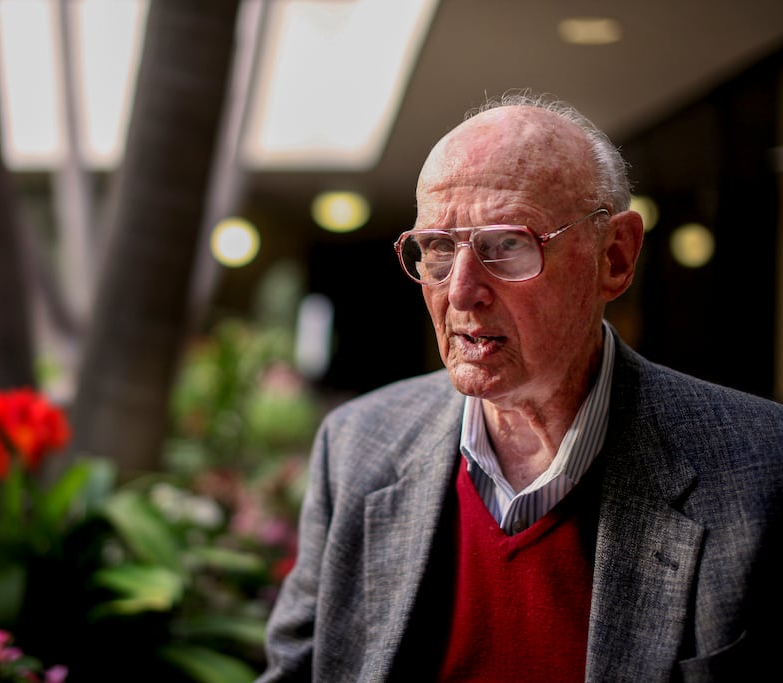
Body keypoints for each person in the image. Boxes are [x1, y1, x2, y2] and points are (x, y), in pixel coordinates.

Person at [257, 91, 783, 682]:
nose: (460, 291)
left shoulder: (761, 468)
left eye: (507, 245)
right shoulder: (357, 443)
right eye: (436, 248)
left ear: (614, 256)